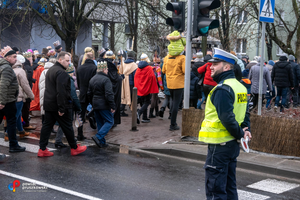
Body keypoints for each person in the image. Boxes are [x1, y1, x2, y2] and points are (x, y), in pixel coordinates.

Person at [198, 48, 251, 200]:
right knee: (229, 188)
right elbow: (245, 113)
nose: (211, 67)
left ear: (227, 67)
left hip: (219, 145)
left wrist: (241, 133)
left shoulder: (222, 89)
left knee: (216, 191)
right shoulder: (240, 87)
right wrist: (245, 131)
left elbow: (227, 118)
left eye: (215, 64)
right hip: (232, 145)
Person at [38, 51, 87, 157]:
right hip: (57, 105)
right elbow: (61, 92)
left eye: (69, 60)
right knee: (67, 126)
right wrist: (62, 108)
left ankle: (42, 148)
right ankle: (74, 147)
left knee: (47, 126)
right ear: (60, 60)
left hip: (49, 104)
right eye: (67, 60)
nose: (69, 63)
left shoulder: (51, 70)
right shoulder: (61, 73)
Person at [0, 46, 26, 152]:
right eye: (14, 57)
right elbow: (3, 85)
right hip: (7, 101)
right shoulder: (6, 68)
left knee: (10, 122)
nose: (16, 59)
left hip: (6, 100)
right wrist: (2, 101)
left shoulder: (4, 66)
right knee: (11, 122)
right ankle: (13, 145)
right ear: (7, 57)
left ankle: (14, 144)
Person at [88, 61, 115, 148]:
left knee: (100, 123)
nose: (107, 71)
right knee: (109, 121)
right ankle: (98, 137)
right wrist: (112, 105)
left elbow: (89, 93)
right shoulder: (106, 79)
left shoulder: (92, 79)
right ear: (103, 69)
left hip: (95, 104)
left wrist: (92, 103)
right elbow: (109, 94)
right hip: (104, 104)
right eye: (106, 69)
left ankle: (102, 142)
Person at [162, 31, 186, 131]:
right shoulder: (182, 58)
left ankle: (171, 118)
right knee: (176, 103)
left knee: (172, 101)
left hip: (169, 83)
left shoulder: (167, 58)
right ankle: (173, 124)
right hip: (179, 84)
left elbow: (163, 70)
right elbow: (185, 71)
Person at [12, 55, 34, 138]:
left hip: (12, 96)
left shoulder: (11, 69)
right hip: (19, 96)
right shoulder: (21, 71)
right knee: (16, 116)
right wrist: (31, 95)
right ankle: (10, 134)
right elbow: (25, 85)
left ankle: (21, 131)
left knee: (18, 115)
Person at [76, 52, 97, 140]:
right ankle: (91, 117)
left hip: (83, 92)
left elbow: (78, 81)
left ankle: (79, 133)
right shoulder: (94, 68)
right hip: (92, 92)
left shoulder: (79, 68)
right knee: (97, 108)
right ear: (93, 58)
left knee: (80, 114)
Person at [135, 53, 159, 123]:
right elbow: (152, 77)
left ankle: (144, 117)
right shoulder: (148, 68)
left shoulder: (138, 68)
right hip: (147, 88)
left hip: (140, 88)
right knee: (147, 102)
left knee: (143, 102)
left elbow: (136, 78)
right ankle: (139, 112)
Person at [104, 50, 123, 127]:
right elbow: (114, 78)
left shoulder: (102, 64)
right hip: (111, 88)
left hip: (105, 87)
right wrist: (120, 78)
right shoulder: (111, 66)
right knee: (112, 104)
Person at [119, 51, 138, 116]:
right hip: (130, 82)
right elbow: (135, 76)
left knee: (124, 95)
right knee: (132, 96)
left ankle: (121, 109)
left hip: (123, 81)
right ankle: (133, 108)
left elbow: (120, 72)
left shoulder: (123, 63)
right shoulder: (134, 65)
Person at [22, 51, 36, 130]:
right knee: (26, 108)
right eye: (31, 57)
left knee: (23, 109)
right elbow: (27, 79)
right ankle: (26, 124)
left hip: (22, 91)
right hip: (26, 91)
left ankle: (22, 124)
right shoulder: (28, 67)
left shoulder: (24, 66)